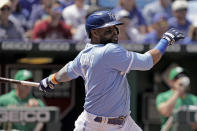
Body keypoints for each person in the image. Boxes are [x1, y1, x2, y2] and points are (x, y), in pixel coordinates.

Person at [38, 10, 184, 131]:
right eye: (109, 29)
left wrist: (52, 79)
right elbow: (147, 62)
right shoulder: (109, 51)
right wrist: (165, 40)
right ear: (94, 33)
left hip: (121, 123)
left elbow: (68, 70)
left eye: (115, 28)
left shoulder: (84, 54)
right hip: (96, 126)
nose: (115, 32)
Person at [156, 66, 197, 131]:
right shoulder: (162, 96)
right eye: (177, 77)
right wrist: (178, 91)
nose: (181, 79)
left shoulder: (194, 99)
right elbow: (165, 112)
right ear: (171, 82)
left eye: (184, 76)